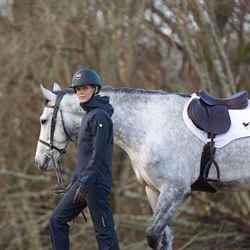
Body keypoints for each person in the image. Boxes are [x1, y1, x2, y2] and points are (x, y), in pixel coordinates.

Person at [49, 68, 120, 250]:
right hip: (83, 183)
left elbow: (97, 154)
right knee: (57, 220)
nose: (80, 92)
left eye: (85, 88)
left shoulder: (100, 116)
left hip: (95, 184)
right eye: (78, 89)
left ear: (95, 89)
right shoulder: (89, 115)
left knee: (104, 233)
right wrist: (75, 181)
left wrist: (84, 184)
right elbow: (85, 154)